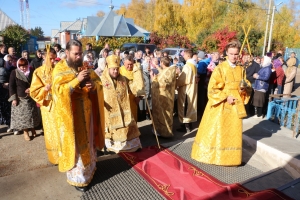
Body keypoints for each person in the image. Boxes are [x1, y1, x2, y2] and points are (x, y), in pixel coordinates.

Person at [51, 39, 105, 192]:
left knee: (88, 142)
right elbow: (58, 92)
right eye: (76, 54)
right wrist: (76, 81)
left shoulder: (83, 66)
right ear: (67, 53)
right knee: (77, 148)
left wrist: (93, 86)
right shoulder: (59, 69)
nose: (79, 56)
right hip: (71, 117)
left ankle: (90, 170)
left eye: (80, 53)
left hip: (87, 114)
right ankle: (78, 179)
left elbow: (98, 82)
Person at [191, 40, 252, 166]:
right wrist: (225, 97)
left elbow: (246, 83)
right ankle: (216, 157)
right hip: (221, 105)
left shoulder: (241, 69)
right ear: (227, 53)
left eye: (236, 54)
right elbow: (212, 88)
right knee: (219, 131)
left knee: (233, 132)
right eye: (231, 54)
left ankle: (231, 159)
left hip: (236, 104)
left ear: (239, 55)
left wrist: (244, 87)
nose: (234, 56)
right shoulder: (220, 68)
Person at [101, 55, 142, 153]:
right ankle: (112, 145)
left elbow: (135, 88)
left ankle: (132, 146)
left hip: (125, 113)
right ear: (108, 68)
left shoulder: (124, 79)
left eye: (117, 69)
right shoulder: (101, 80)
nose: (115, 71)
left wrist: (137, 72)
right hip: (110, 114)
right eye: (113, 69)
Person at [29, 47, 59, 164]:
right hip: (48, 107)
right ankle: (55, 157)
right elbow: (34, 91)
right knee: (51, 131)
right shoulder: (38, 72)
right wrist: (45, 89)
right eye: (50, 59)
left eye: (54, 59)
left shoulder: (58, 70)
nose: (53, 61)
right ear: (44, 57)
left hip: (60, 105)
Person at [8, 58, 41, 140]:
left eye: (25, 66)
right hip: (20, 98)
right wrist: (14, 98)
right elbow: (11, 86)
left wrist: (31, 88)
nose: (23, 68)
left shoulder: (32, 71)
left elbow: (36, 82)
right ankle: (25, 132)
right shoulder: (14, 72)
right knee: (23, 117)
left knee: (32, 115)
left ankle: (32, 129)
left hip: (31, 97)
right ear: (18, 66)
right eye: (21, 66)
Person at [151, 57, 176, 137]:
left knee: (162, 115)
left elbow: (161, 84)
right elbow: (163, 74)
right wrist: (157, 67)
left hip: (162, 98)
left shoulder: (167, 71)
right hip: (168, 97)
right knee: (167, 114)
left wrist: (153, 78)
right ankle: (165, 130)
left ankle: (164, 132)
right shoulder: (170, 70)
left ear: (162, 62)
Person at [176, 49, 197, 133]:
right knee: (190, 106)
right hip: (192, 88)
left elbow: (184, 79)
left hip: (186, 90)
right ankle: (190, 124)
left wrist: (177, 79)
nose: (183, 56)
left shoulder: (187, 66)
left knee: (185, 106)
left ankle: (186, 126)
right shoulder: (194, 65)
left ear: (188, 55)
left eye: (184, 55)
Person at [119, 55, 145, 122]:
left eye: (131, 64)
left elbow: (141, 83)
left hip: (134, 98)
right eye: (128, 64)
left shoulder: (136, 71)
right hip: (124, 98)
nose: (130, 66)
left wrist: (139, 97)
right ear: (124, 63)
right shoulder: (120, 71)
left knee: (134, 116)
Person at [0, 58, 11, 126]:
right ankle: (7, 122)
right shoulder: (5, 70)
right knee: (6, 106)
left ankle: (2, 120)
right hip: (4, 89)